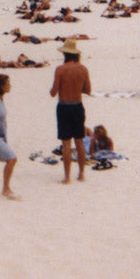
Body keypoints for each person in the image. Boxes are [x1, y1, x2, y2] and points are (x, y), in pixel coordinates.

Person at [49, 37, 91, 183]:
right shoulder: (83, 69)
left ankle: (67, 176)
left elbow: (53, 92)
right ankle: (81, 174)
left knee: (66, 143)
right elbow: (88, 90)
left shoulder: (60, 69)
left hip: (64, 106)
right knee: (79, 141)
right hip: (77, 106)